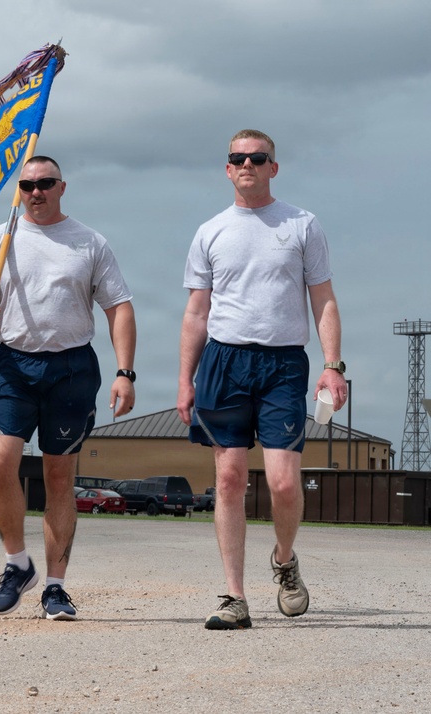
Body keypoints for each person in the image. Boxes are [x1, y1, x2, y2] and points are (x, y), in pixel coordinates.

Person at [177, 129, 347, 630]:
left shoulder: (301, 225)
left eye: (257, 157)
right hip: (224, 363)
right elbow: (196, 312)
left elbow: (324, 299)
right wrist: (186, 379)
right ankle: (234, 596)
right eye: (237, 158)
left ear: (274, 167)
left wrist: (333, 364)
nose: (247, 163)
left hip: (283, 366)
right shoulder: (210, 231)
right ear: (227, 169)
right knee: (228, 479)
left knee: (282, 483)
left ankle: (285, 561)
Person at [0, 155, 137, 620]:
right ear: (19, 190)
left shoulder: (89, 243)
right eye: (27, 185)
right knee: (1, 463)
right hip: (11, 366)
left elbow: (118, 307)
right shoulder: (0, 239)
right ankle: (17, 565)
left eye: (45, 183)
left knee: (59, 476)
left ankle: (55, 588)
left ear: (62, 187)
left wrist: (125, 372)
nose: (36, 192)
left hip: (72, 368)